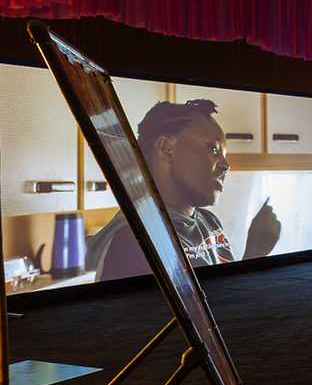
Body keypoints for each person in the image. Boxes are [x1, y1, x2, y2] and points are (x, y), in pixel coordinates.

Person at [88, 99, 281, 282]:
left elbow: (222, 290)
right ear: (166, 149)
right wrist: (255, 255)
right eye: (213, 149)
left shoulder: (209, 221)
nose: (226, 165)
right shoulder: (136, 242)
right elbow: (206, 306)